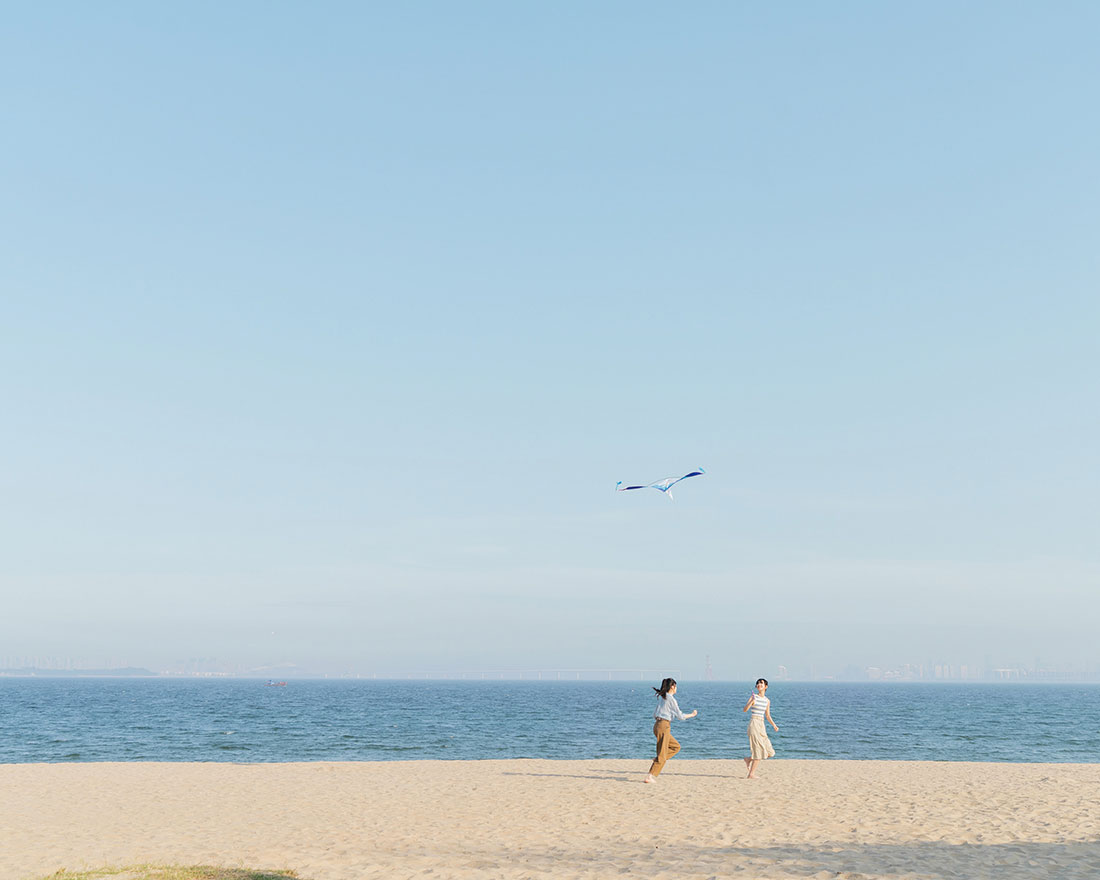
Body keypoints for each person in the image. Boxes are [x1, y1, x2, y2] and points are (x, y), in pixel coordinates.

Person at [643, 677, 697, 783]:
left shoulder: (663, 697)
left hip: (658, 725)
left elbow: (655, 713)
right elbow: (680, 716)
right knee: (662, 755)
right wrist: (692, 714)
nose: (677, 689)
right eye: (676, 686)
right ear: (672, 686)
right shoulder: (670, 699)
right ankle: (650, 776)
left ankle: (658, 758)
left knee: (676, 747)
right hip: (664, 726)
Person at [742, 678, 778, 778]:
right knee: (758, 750)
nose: (759, 684)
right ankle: (751, 774)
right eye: (758, 683)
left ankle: (749, 759)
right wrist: (751, 702)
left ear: (766, 687)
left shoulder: (767, 700)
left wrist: (774, 725)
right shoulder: (754, 697)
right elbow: (745, 710)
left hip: (762, 725)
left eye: (761, 683)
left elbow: (767, 715)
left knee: (770, 752)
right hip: (754, 723)